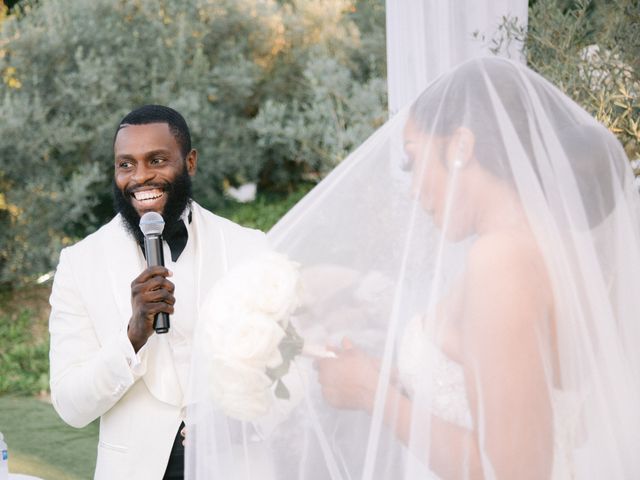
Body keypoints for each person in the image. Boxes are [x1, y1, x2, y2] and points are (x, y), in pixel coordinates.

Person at [186, 58, 640, 479]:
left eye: (413, 159)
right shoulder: (541, 250)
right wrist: (394, 378)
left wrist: (373, 394)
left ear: (461, 146)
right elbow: (505, 399)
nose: (413, 188)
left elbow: (516, 470)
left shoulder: (503, 261)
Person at [48, 105, 268, 480]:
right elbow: (71, 405)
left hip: (237, 465)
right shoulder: (79, 264)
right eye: (126, 165)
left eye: (157, 160)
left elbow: (290, 370)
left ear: (190, 162)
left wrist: (245, 419)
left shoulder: (250, 249)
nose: (141, 177)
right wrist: (132, 337)